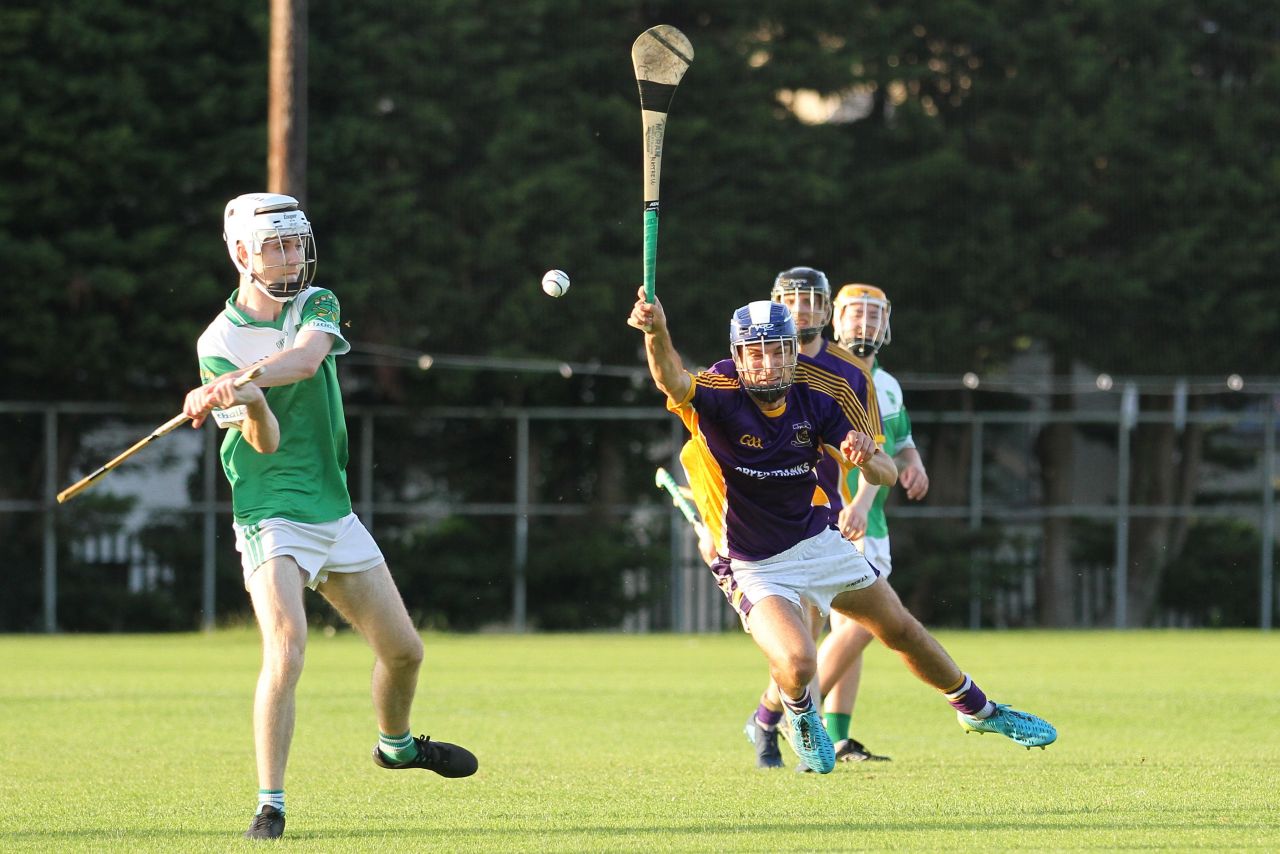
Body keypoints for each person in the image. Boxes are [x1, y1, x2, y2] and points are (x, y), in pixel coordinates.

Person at [628, 287, 1056, 775]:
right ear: (737, 355)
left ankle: (980, 711)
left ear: (794, 351)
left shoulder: (821, 392)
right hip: (753, 563)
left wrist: (868, 457)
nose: (768, 363)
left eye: (778, 351)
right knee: (799, 661)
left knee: (900, 629)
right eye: (756, 353)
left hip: (818, 540)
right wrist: (657, 331)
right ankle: (799, 714)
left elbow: (888, 475)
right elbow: (669, 377)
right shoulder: (719, 392)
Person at [183, 193, 477, 840]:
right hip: (269, 513)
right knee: (286, 650)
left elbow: (309, 358)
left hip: (332, 510)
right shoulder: (217, 342)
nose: (291, 257)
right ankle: (271, 804)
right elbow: (263, 442)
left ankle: (395, 746)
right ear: (241, 255)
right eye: (276, 247)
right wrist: (247, 400)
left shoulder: (318, 303)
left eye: (295, 244)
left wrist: (244, 381)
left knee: (405, 653)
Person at [738, 267, 888, 770]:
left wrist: (861, 501)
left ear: (826, 311)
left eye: (810, 302)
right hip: (769, 525)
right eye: (791, 301)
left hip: (826, 516)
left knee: (829, 627)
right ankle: (799, 732)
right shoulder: (755, 367)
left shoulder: (850, 374)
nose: (801, 311)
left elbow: (876, 455)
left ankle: (768, 718)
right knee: (804, 633)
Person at [817, 283, 928, 764]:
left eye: (873, 315)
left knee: (851, 629)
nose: (864, 323)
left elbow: (895, 443)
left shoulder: (887, 384)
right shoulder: (825, 374)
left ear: (887, 323)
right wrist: (859, 502)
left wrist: (914, 460)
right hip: (837, 516)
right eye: (855, 314)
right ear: (835, 320)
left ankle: (837, 738)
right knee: (868, 624)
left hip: (869, 519)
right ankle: (780, 712)